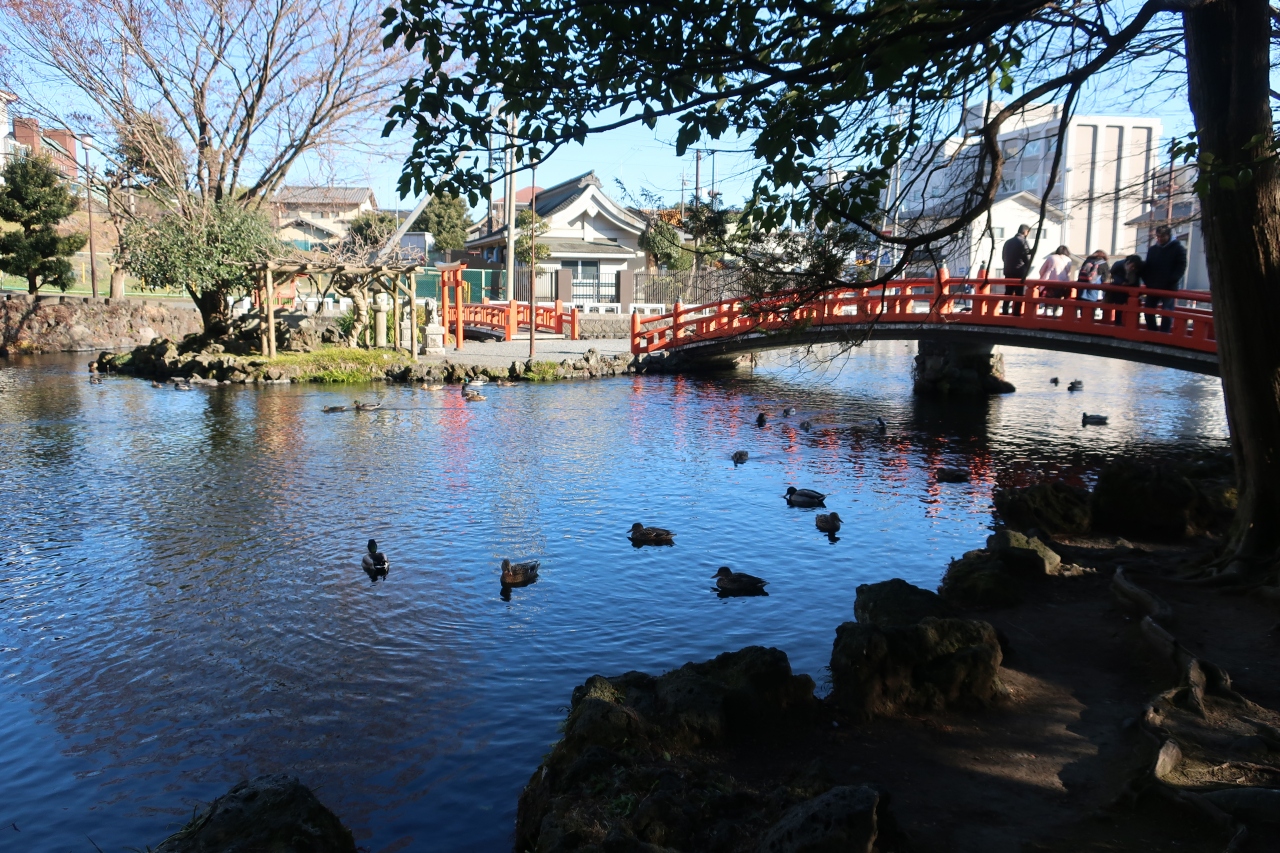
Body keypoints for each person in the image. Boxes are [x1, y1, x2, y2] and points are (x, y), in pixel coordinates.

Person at [1143, 225, 1188, 332]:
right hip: (1153, 285)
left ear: (1169, 235)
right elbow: (1148, 266)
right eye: (1158, 236)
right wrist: (1147, 281)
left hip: (1169, 286)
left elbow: (1181, 266)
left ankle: (1164, 334)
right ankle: (1152, 332)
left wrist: (1173, 279)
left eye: (1162, 236)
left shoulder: (1178, 249)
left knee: (1167, 311)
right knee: (1148, 310)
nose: (1160, 239)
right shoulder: (1153, 250)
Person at [1000, 224, 1032, 316]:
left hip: (1008, 270)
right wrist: (1027, 269)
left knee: (1008, 292)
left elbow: (1003, 257)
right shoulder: (1023, 242)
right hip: (1019, 271)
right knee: (1019, 294)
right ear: (1025, 232)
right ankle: (1016, 313)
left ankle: (1005, 311)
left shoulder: (1008, 242)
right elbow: (1027, 258)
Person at [1107, 254, 1143, 326]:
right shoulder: (1119, 265)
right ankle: (1118, 323)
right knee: (1119, 306)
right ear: (1129, 262)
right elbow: (1113, 274)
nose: (1133, 268)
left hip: (1133, 288)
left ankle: (1133, 324)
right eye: (1132, 266)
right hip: (1120, 288)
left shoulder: (1139, 267)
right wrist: (1120, 282)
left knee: (1134, 307)